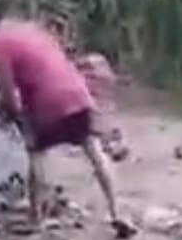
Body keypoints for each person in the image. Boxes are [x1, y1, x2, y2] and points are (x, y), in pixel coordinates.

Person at [0, 0, 136, 238]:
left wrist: (15, 117)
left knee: (37, 154)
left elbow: (8, 91)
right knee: (94, 151)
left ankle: (36, 219)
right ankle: (117, 211)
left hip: (47, 100)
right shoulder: (31, 29)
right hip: (77, 91)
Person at [43, 14, 130, 161]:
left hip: (75, 87)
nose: (55, 35)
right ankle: (107, 142)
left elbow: (71, 64)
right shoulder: (45, 50)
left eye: (57, 30)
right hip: (64, 91)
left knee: (95, 108)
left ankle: (109, 141)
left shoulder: (66, 48)